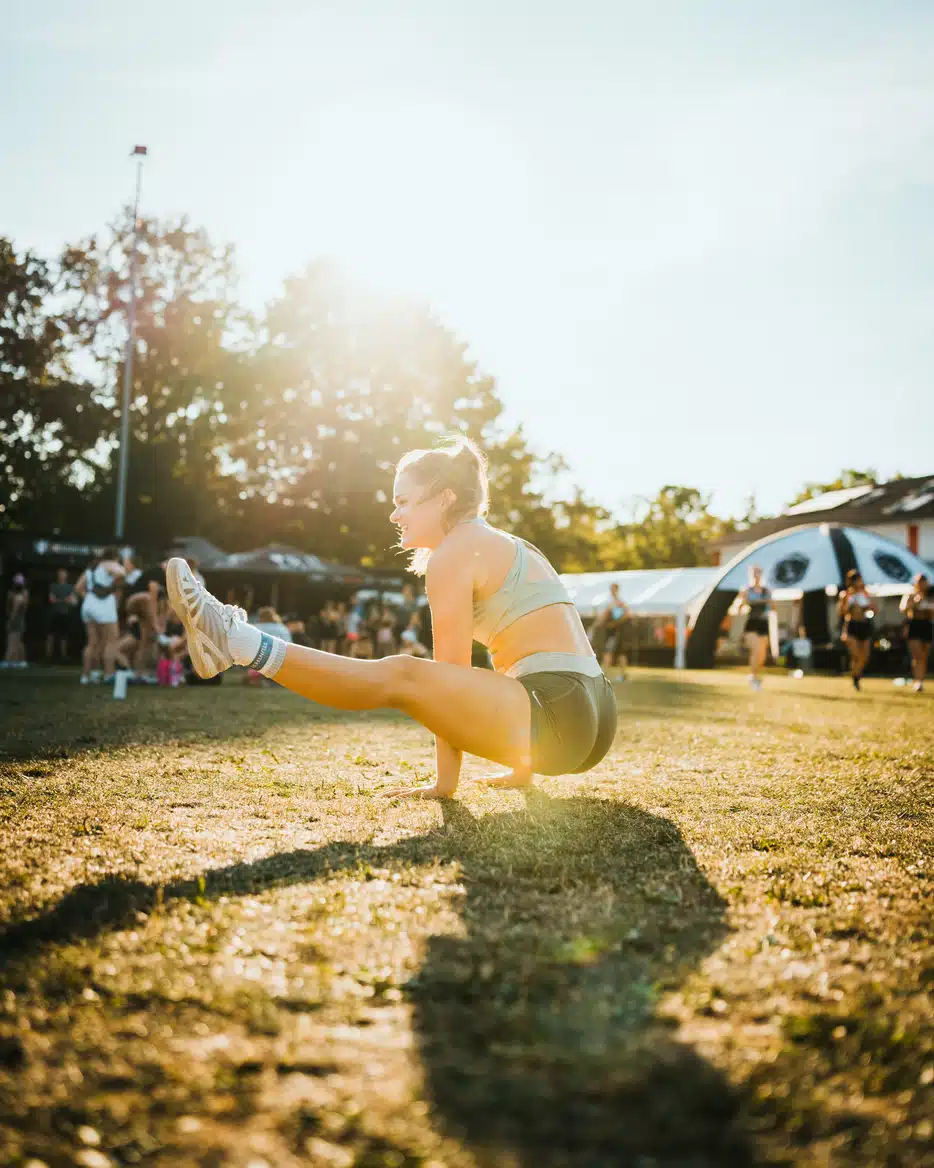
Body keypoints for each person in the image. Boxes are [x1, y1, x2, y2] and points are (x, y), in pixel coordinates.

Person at [166, 436, 617, 797]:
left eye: (404, 501)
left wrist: (446, 785)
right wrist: (523, 766)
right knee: (417, 674)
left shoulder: (455, 553)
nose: (393, 513)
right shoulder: (503, 543)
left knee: (404, 674)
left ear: (444, 499)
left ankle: (238, 641)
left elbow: (450, 681)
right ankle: (235, 641)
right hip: (593, 711)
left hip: (559, 714)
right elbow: (528, 655)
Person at [74, 549, 126, 683]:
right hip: (104, 604)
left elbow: (78, 587)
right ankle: (109, 675)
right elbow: (121, 573)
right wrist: (114, 585)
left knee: (92, 643)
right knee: (111, 641)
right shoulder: (109, 564)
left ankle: (86, 676)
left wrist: (90, 599)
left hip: (88, 604)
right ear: (115, 557)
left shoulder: (91, 569)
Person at [125, 559, 168, 680]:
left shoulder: (167, 580)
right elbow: (152, 597)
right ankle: (142, 672)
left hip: (144, 608)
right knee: (147, 598)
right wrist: (155, 624)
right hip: (135, 601)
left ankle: (141, 672)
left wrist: (162, 624)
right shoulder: (158, 571)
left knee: (147, 640)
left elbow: (163, 604)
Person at [837, 569, 874, 691]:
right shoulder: (846, 595)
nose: (860, 582)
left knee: (865, 656)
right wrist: (850, 607)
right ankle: (855, 679)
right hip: (852, 625)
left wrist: (866, 607)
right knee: (856, 655)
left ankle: (856, 674)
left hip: (864, 625)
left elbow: (874, 609)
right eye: (857, 580)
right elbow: (841, 612)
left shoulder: (865, 594)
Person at [738, 565, 772, 690]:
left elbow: (772, 608)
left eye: (758, 573)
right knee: (755, 650)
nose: (756, 575)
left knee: (762, 654)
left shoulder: (766, 591)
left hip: (763, 623)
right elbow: (740, 608)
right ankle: (753, 677)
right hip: (752, 623)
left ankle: (756, 675)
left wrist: (768, 602)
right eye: (754, 573)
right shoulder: (747, 590)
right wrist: (744, 601)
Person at [900, 573, 932, 693]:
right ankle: (917, 681)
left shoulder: (930, 596)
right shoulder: (911, 595)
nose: (922, 584)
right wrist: (915, 603)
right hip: (914, 625)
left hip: (927, 624)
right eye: (920, 581)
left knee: (924, 656)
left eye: (924, 581)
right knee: (917, 655)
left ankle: (921, 680)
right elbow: (903, 608)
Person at [598, 582, 629, 681]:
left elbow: (626, 615)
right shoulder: (613, 602)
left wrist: (614, 623)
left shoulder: (619, 603)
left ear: (616, 590)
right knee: (620, 653)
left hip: (615, 633)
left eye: (613, 589)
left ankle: (603, 674)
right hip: (615, 632)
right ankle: (623, 675)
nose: (612, 591)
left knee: (609, 651)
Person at [46, 569, 76, 662]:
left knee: (64, 636)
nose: (61, 575)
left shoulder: (70, 587)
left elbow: (71, 600)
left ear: (66, 576)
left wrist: (59, 600)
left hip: (65, 613)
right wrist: (64, 600)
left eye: (63, 574)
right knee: (51, 635)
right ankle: (48, 655)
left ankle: (64, 656)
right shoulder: (53, 586)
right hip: (54, 613)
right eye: (60, 574)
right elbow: (51, 599)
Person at [2, 574, 30, 669]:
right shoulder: (14, 593)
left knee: (12, 641)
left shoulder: (22, 594)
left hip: (16, 619)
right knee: (18, 642)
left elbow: (15, 609)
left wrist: (10, 621)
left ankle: (8, 661)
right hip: (19, 619)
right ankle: (20, 661)